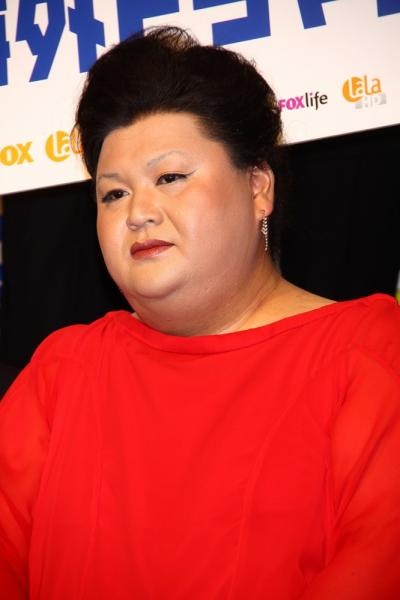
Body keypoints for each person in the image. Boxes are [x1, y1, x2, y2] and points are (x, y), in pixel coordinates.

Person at [1, 26, 399, 600]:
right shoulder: (61, 372)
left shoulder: (370, 357)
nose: (138, 212)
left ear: (258, 187)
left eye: (170, 178)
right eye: (113, 194)